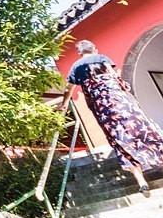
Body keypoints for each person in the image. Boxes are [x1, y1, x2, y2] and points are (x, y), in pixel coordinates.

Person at [67, 39, 163, 196]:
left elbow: (68, 88)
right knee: (145, 132)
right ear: (94, 49)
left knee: (121, 142)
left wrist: (65, 104)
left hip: (105, 114)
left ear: (80, 53)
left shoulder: (76, 67)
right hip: (122, 105)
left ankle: (142, 182)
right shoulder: (101, 58)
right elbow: (115, 78)